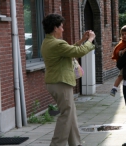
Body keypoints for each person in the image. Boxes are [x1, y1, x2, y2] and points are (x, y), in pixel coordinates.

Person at [41, 13, 96, 146]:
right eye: (61, 27)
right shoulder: (57, 44)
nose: (63, 29)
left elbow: (69, 50)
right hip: (61, 83)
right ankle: (56, 144)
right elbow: (78, 52)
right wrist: (90, 40)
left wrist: (82, 40)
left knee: (70, 114)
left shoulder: (48, 42)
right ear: (55, 28)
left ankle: (75, 143)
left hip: (55, 82)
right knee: (66, 115)